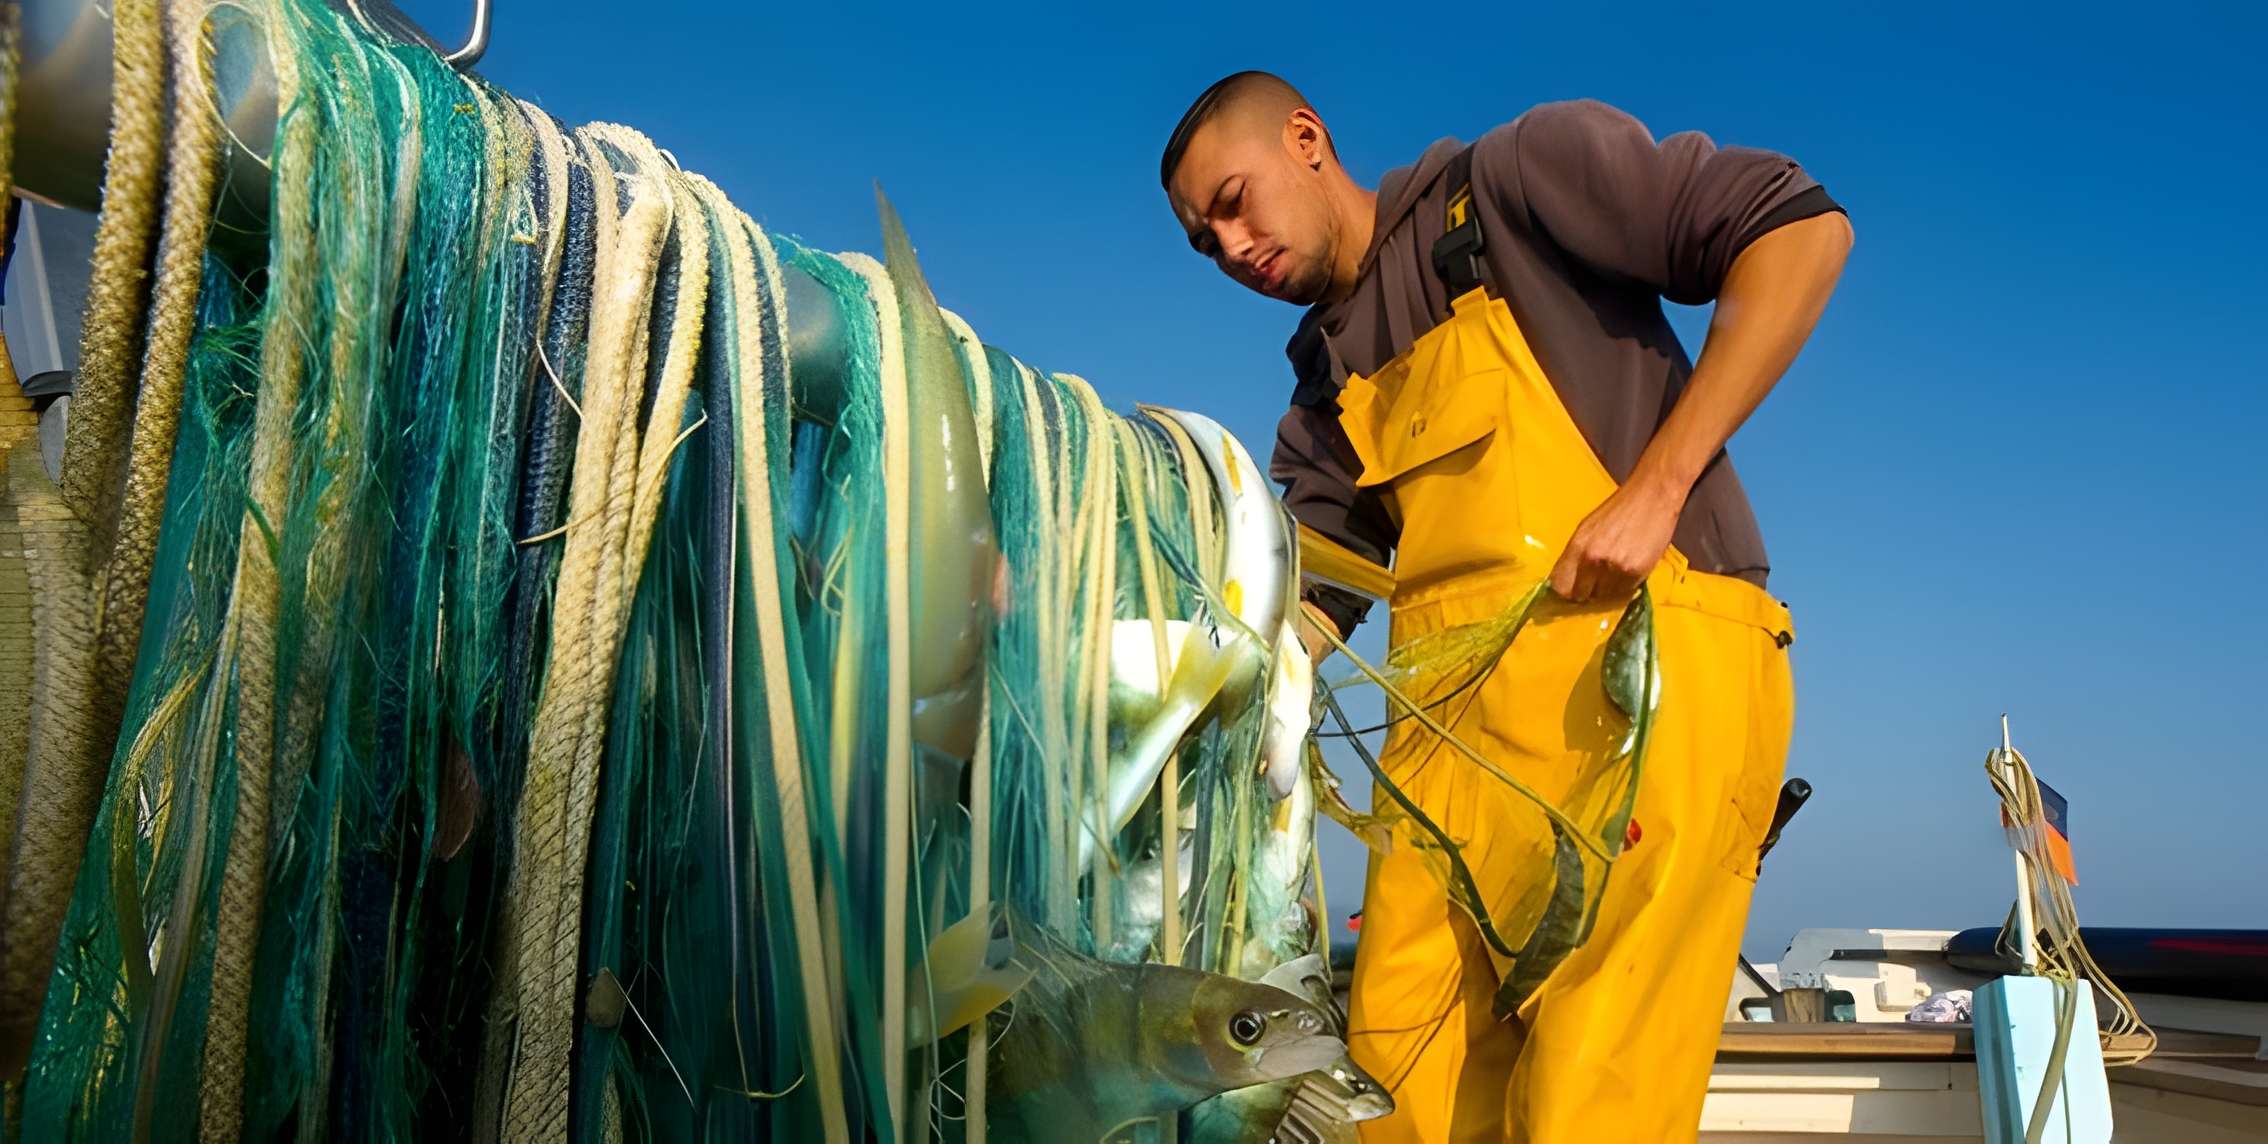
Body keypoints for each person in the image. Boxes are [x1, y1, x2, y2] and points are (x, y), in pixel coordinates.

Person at [1160, 72, 1851, 1141]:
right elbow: (1312, 598)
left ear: (1306, 138)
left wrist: (1658, 485)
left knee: (1589, 1101)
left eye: (1234, 199)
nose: (1231, 246)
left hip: (1648, 688)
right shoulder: (1322, 390)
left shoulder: (1515, 181)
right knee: (1387, 1093)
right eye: (1204, 241)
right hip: (1447, 762)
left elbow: (1799, 229)